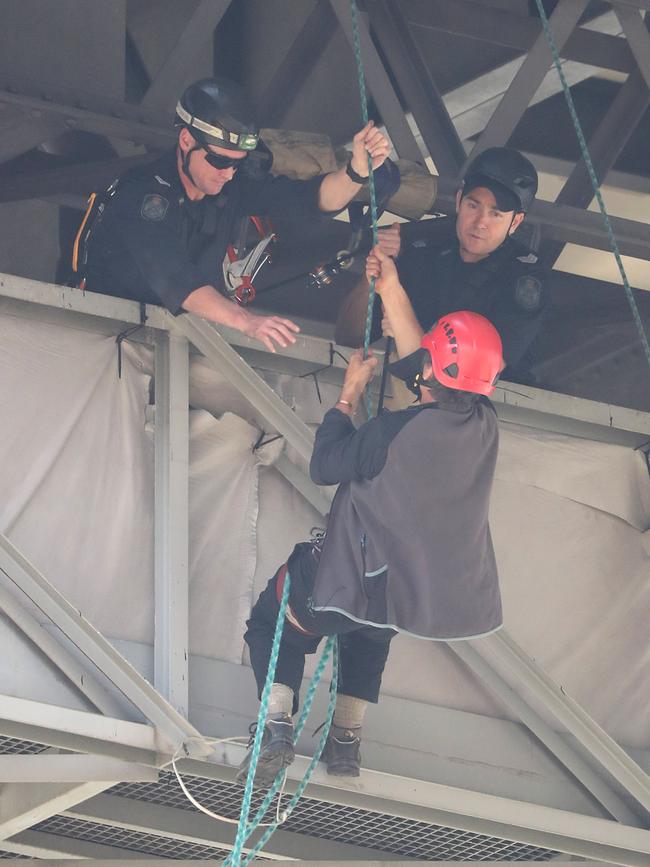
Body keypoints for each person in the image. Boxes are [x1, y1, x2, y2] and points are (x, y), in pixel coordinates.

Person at [239, 282, 504, 786]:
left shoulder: (391, 431)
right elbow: (436, 379)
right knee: (368, 634)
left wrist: (349, 393)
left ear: (430, 369)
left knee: (273, 620)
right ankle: (345, 742)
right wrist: (393, 288)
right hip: (403, 592)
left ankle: (276, 724)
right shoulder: (486, 426)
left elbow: (324, 465)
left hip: (342, 583)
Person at [74, 77, 391, 353]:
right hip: (103, 339)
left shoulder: (232, 185)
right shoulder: (144, 196)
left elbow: (310, 200)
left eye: (238, 163)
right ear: (186, 141)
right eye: (219, 161)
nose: (228, 174)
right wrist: (248, 322)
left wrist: (356, 172)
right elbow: (176, 280)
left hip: (173, 341)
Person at [336, 146, 547, 380]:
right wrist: (375, 270)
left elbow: (480, 371)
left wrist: (401, 316)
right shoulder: (424, 252)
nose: (480, 222)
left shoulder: (524, 275)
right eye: (473, 205)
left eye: (496, 214)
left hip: (485, 408)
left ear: (516, 222)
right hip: (408, 400)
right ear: (458, 201)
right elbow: (349, 336)